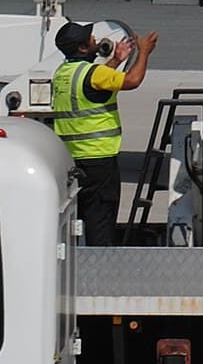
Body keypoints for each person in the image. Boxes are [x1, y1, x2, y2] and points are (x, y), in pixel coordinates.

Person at [50, 20, 157, 246]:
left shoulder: (64, 73)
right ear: (82, 48)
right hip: (99, 160)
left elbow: (95, 82)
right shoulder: (93, 73)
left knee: (78, 220)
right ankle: (100, 267)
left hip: (74, 160)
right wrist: (144, 53)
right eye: (90, 39)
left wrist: (117, 60)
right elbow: (132, 80)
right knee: (100, 222)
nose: (95, 41)